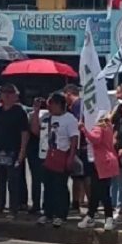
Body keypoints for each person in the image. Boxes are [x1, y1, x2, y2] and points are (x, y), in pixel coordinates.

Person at [33, 92, 78, 228]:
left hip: (62, 154)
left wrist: (71, 156)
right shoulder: (47, 117)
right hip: (47, 155)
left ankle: (61, 214)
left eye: (51, 104)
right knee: (47, 186)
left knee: (60, 186)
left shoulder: (69, 119)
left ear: (59, 104)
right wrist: (36, 112)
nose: (49, 107)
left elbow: (74, 138)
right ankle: (47, 213)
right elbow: (35, 130)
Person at [0, 83, 29, 216]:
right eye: (4, 92)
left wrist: (22, 151)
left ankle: (14, 209)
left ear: (15, 96)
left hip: (14, 151)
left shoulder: (20, 112)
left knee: (13, 181)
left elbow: (24, 132)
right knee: (0, 181)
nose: (6, 95)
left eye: (10, 93)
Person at [77, 114, 117, 231]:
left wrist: (84, 129)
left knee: (102, 191)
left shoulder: (99, 126)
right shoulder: (108, 126)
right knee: (96, 191)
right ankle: (91, 215)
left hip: (102, 162)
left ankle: (108, 217)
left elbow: (95, 139)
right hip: (105, 161)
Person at [64, 84, 88, 211]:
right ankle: (76, 201)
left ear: (68, 93)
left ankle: (79, 201)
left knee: (80, 175)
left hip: (80, 144)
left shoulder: (79, 105)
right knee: (76, 175)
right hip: (77, 143)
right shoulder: (71, 107)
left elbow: (79, 122)